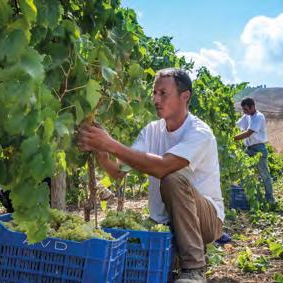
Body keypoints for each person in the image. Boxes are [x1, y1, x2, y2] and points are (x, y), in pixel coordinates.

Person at [77, 68, 223, 283]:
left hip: (206, 220)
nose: (156, 99)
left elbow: (163, 167)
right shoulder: (152, 130)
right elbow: (119, 171)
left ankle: (194, 268)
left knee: (171, 178)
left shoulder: (199, 132)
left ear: (185, 96)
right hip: (163, 220)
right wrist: (103, 153)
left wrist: (111, 143)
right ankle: (176, 253)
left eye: (163, 93)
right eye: (154, 93)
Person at [234, 97, 275, 205]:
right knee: (243, 171)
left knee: (264, 174)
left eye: (246, 109)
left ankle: (270, 199)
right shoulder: (246, 116)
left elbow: (249, 132)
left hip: (259, 148)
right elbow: (236, 124)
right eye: (243, 110)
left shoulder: (258, 117)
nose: (244, 112)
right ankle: (246, 197)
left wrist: (233, 138)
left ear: (253, 107)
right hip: (249, 149)